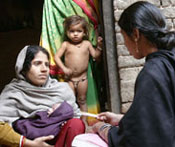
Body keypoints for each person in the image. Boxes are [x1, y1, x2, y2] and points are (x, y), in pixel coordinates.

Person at [73, 1, 175, 147]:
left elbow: (141, 137)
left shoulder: (153, 73)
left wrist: (103, 129)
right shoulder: (169, 59)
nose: (125, 45)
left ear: (136, 34)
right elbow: (158, 117)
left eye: (123, 37)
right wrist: (122, 119)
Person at [0, 45, 85, 147]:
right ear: (24, 68)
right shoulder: (13, 92)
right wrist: (29, 144)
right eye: (37, 64)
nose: (44, 69)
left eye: (47, 64)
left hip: (59, 143)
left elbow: (76, 117)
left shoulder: (62, 90)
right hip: (28, 144)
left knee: (76, 124)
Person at [54, 15, 102, 123]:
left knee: (82, 100)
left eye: (79, 31)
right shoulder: (66, 45)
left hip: (82, 79)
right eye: (72, 31)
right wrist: (64, 69)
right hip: (70, 79)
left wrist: (99, 46)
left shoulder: (87, 44)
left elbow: (95, 56)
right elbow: (56, 57)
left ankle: (84, 122)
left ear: (84, 32)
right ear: (67, 32)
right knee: (70, 101)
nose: (75, 34)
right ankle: (72, 122)